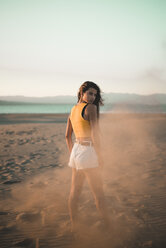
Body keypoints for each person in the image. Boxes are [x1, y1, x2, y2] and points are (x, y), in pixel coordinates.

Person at [65, 81, 109, 231]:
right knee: (99, 194)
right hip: (88, 151)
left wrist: (74, 154)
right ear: (81, 92)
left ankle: (74, 225)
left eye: (95, 95)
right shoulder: (91, 108)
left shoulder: (72, 109)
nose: (92, 97)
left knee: (74, 191)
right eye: (90, 93)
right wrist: (100, 155)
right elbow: (94, 134)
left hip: (77, 150)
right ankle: (109, 227)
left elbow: (67, 136)